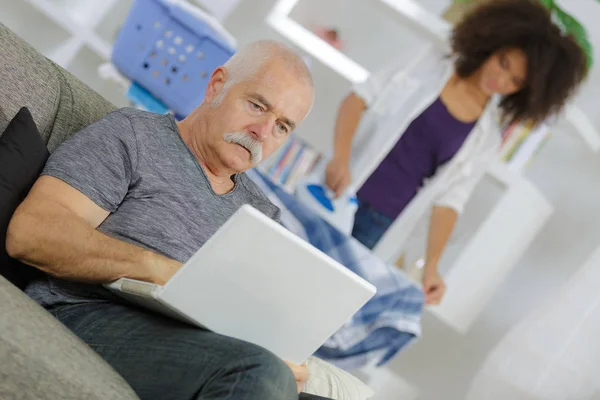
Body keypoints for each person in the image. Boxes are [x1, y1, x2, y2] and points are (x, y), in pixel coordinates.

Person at [6, 40, 315, 399]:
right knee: (260, 374)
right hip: (90, 313)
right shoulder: (136, 136)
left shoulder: (264, 217)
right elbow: (31, 233)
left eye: (282, 127)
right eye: (258, 105)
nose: (262, 132)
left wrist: (287, 354)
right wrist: (158, 269)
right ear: (217, 84)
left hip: (206, 348)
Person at [324, 0, 587, 305]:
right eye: (503, 63)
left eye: (515, 81)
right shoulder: (429, 62)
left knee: (332, 300)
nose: (500, 81)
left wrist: (432, 268)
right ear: (492, 43)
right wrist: (340, 159)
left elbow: (450, 202)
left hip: (381, 225)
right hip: (340, 189)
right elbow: (358, 98)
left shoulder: (486, 138)